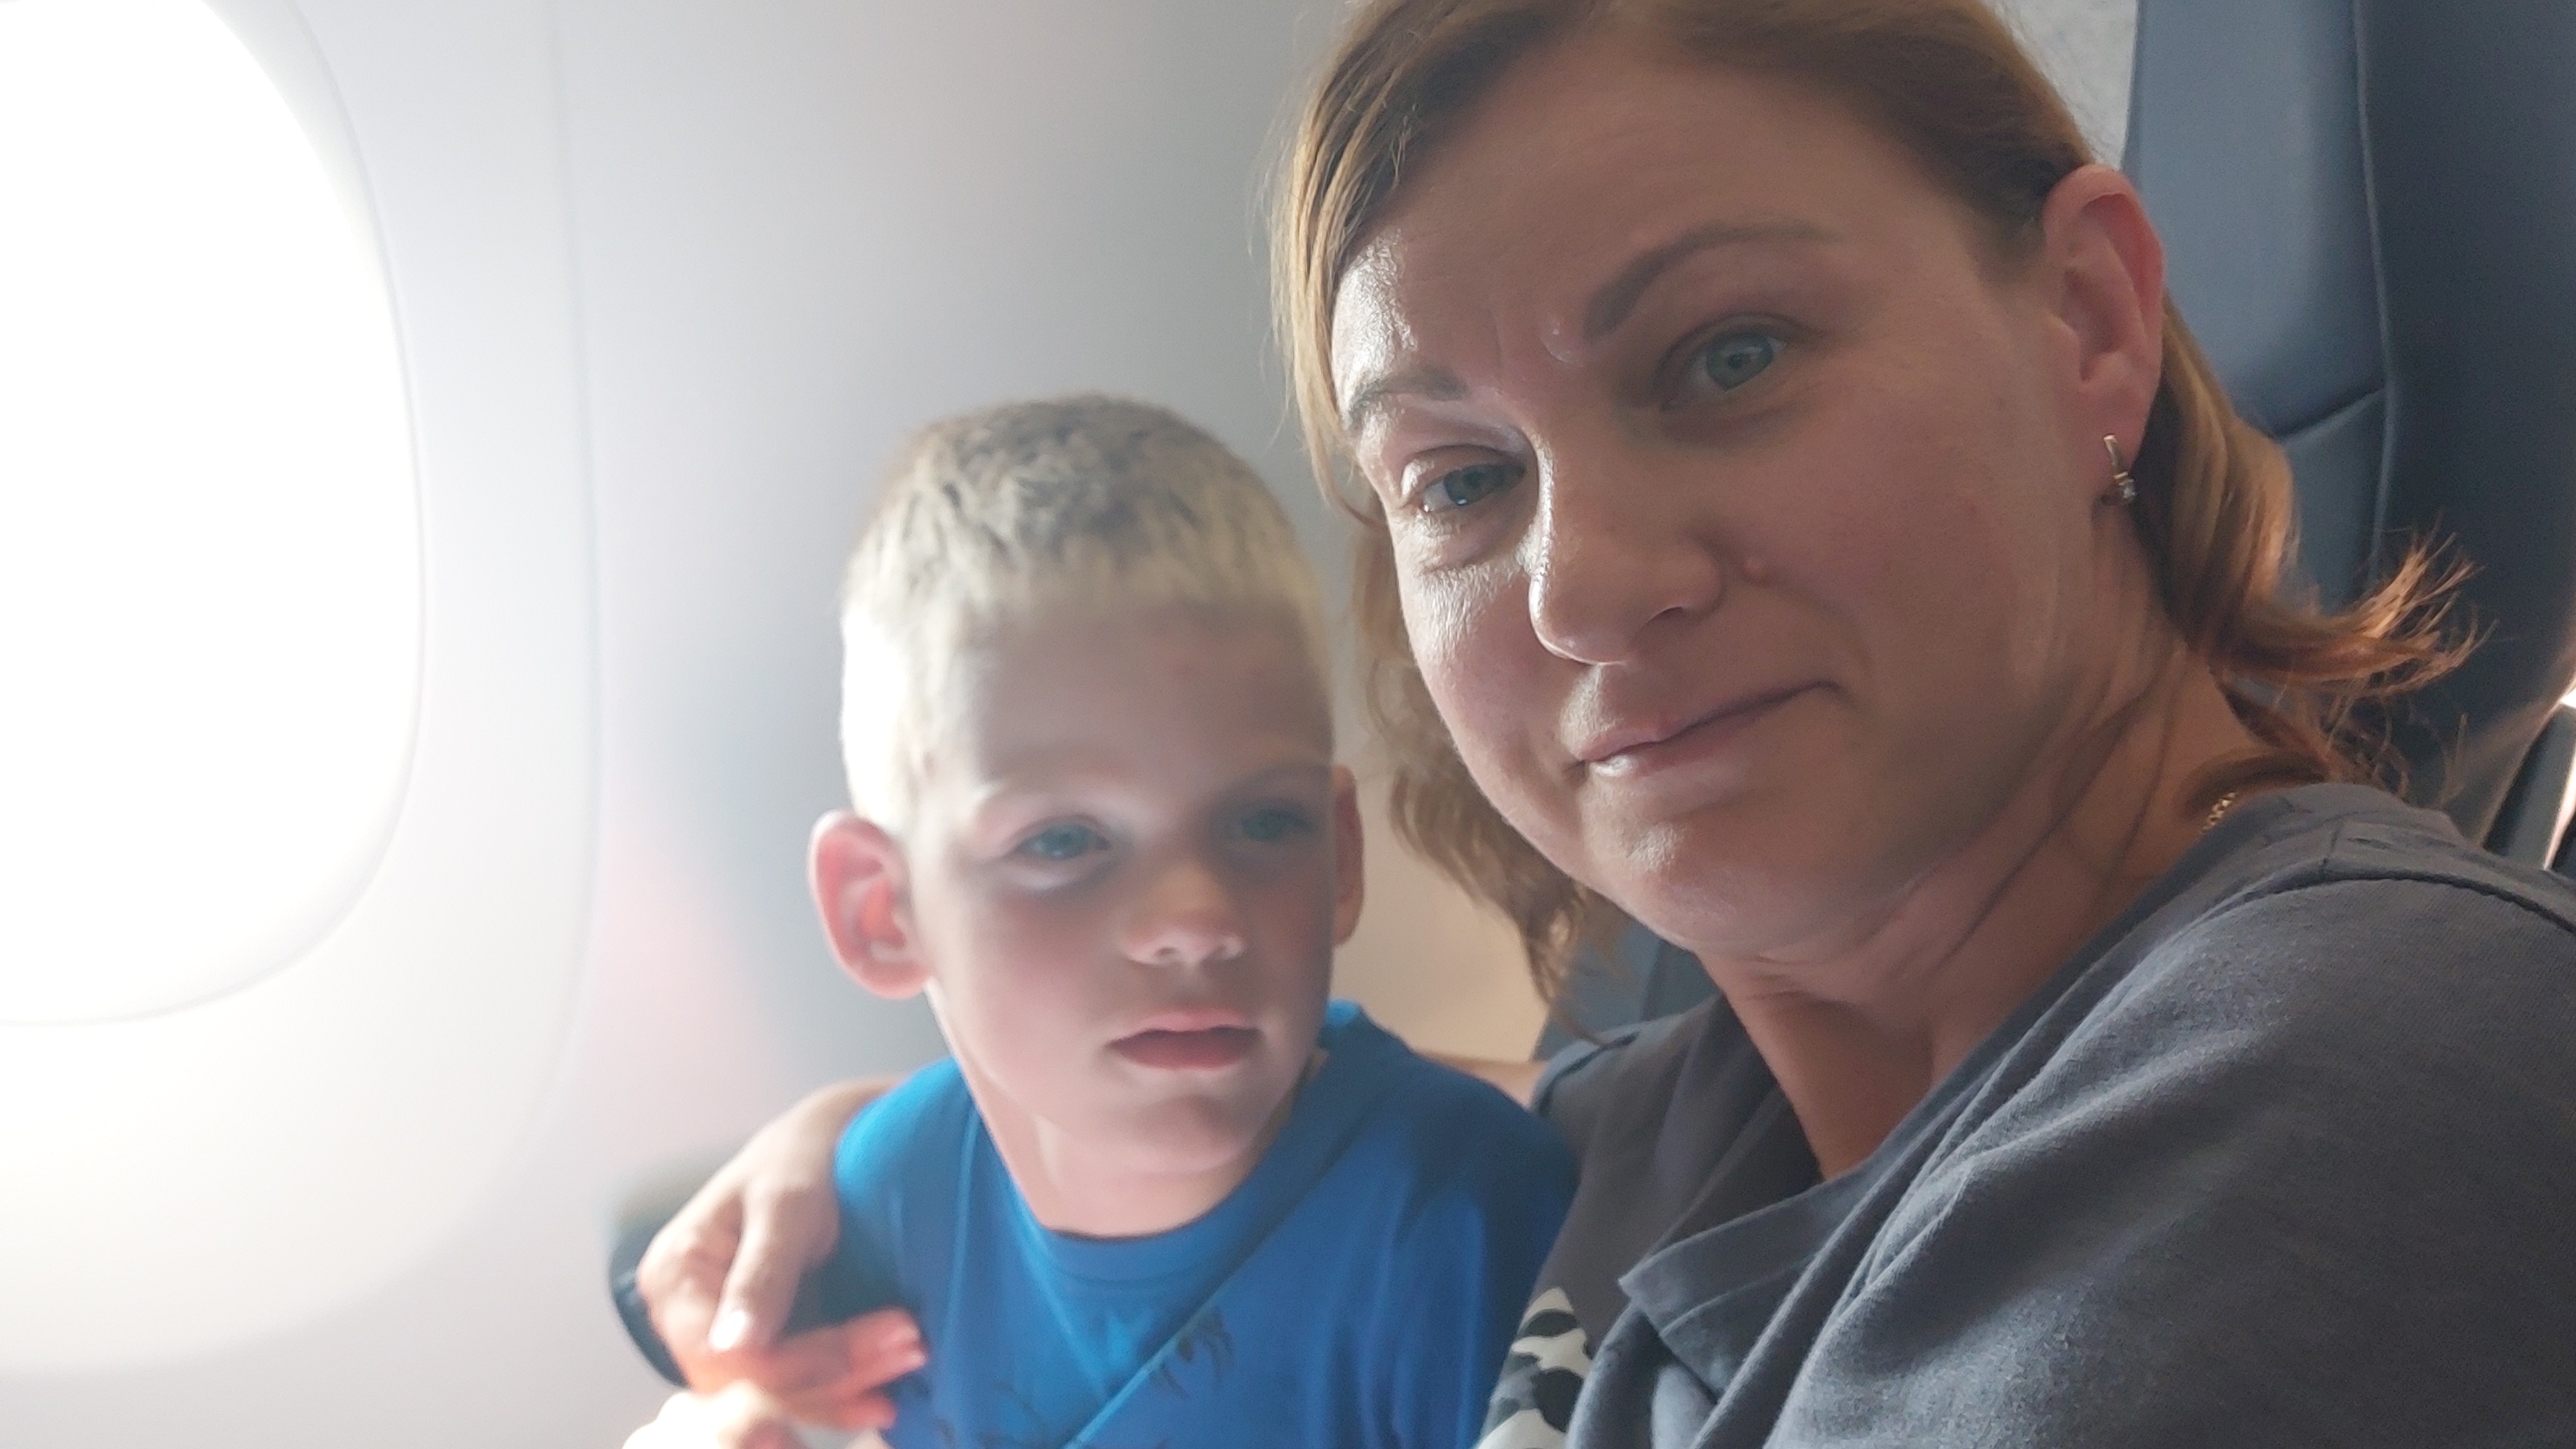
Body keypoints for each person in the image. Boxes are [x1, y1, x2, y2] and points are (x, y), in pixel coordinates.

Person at [632, 2, 2576, 1445]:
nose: (1579, 585)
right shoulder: (1691, 1104)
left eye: (1725, 357)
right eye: (1463, 480)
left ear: (2087, 322)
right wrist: (863, 1155)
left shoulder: (2341, 1089)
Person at [624, 396, 1574, 1449]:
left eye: (1264, 823)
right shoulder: (892, 1191)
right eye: (1064, 841)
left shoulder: (1456, 1223)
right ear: (881, 911)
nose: (1196, 919)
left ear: (1340, 858)